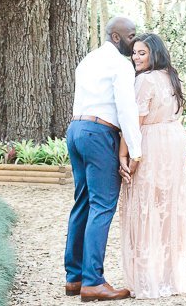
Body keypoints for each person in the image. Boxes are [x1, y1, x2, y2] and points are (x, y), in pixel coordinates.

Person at [65, 16, 143, 302]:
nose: (135, 41)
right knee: (102, 206)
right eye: (131, 36)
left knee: (83, 203)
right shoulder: (120, 65)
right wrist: (135, 151)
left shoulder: (88, 60)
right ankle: (93, 282)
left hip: (76, 129)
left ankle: (74, 278)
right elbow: (126, 109)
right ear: (116, 37)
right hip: (100, 133)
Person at [117, 32, 186, 298]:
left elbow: (132, 124)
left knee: (144, 205)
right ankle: (169, 278)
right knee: (168, 206)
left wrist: (126, 156)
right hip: (174, 141)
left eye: (142, 53)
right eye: (134, 52)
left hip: (151, 143)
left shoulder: (145, 81)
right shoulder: (171, 75)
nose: (135, 57)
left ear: (154, 54)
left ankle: (147, 280)